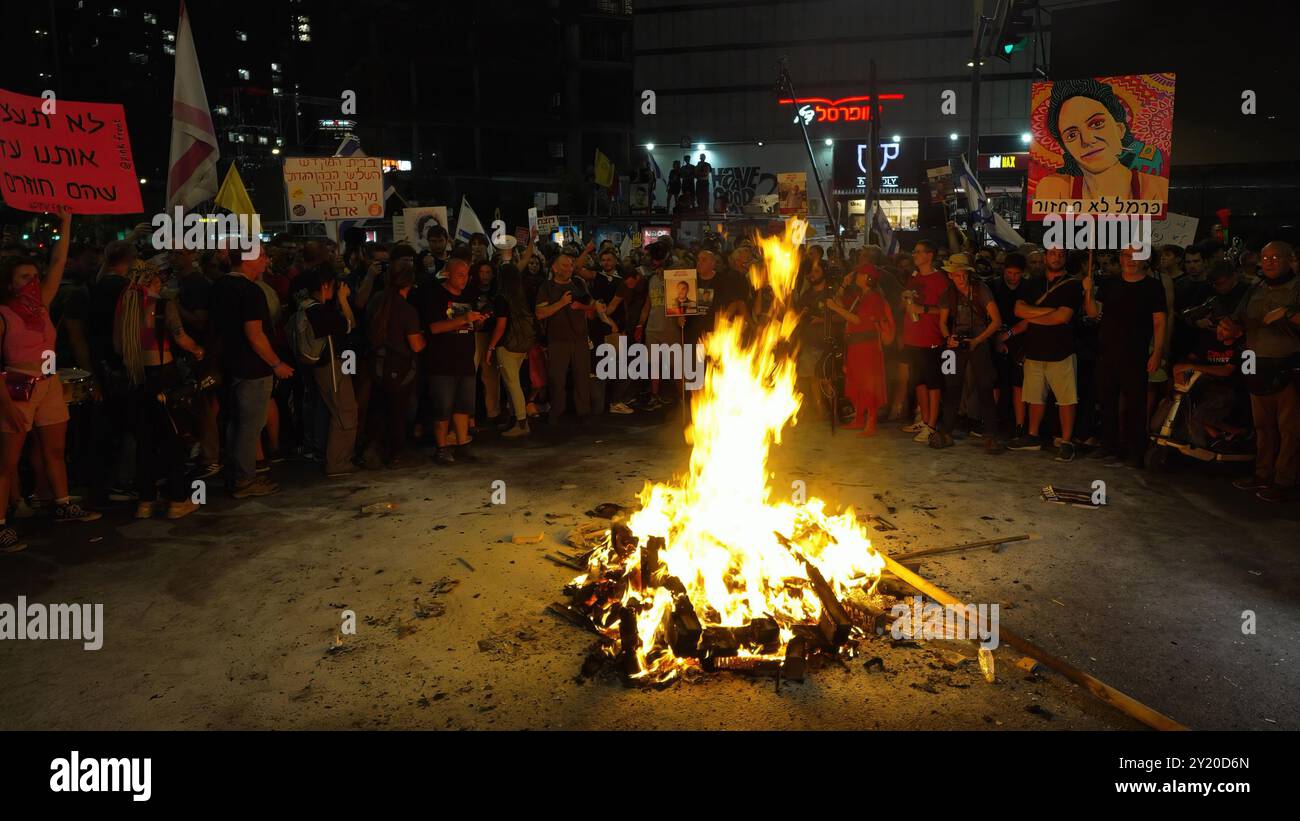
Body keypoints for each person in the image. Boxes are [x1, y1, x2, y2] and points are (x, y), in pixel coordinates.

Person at [0, 211, 101, 551]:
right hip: (17, 388)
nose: (31, 280)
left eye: (33, 274)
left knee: (55, 449)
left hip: (49, 382)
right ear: (9, 282)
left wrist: (66, 223)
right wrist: (6, 406)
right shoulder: (3, 314)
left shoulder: (41, 304)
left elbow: (58, 261)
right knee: (7, 462)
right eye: (23, 276)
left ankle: (61, 503)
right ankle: (0, 523)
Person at [113, 261, 204, 519]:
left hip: (135, 377)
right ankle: (177, 500)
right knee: (171, 440)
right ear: (154, 281)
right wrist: (198, 350)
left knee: (144, 441)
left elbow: (118, 347)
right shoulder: (163, 305)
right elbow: (180, 338)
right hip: (163, 376)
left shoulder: (123, 308)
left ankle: (145, 501)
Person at [1219, 241, 1300, 502]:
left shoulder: (1297, 288)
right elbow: (1239, 319)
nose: (1270, 261)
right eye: (1266, 258)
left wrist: (1288, 313)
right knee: (1263, 426)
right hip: (1256, 365)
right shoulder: (1254, 288)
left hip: (1287, 365)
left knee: (1290, 429)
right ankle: (1262, 473)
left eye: (1277, 257)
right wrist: (1228, 327)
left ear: (1290, 259)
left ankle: (1284, 480)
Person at [210, 248, 294, 497]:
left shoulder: (219, 286)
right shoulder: (250, 291)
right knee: (249, 427)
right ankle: (245, 480)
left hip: (229, 364)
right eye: (261, 256)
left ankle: (235, 474)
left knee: (236, 423)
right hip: (252, 367)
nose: (266, 260)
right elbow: (255, 334)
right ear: (246, 260)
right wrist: (276, 364)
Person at [1084, 247, 1168, 467]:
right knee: (1106, 401)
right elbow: (1093, 313)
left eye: (1136, 256)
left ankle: (1135, 451)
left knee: (1136, 404)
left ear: (1145, 260)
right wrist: (1088, 292)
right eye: (1127, 255)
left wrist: (1157, 352)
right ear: (1120, 259)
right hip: (1106, 351)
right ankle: (1107, 446)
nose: (1131, 260)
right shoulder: (1109, 283)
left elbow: (1159, 321)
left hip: (1136, 353)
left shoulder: (1153, 286)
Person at [1034, 77, 1169, 204]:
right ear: (1065, 148)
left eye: (1097, 124)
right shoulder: (1054, 189)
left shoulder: (1156, 189)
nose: (1087, 140)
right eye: (1071, 135)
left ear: (1120, 129)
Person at [1009, 247, 1084, 461]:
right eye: (1052, 253)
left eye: (1060, 254)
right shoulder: (1033, 283)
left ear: (1065, 257)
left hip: (1061, 351)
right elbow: (1018, 311)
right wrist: (1050, 311)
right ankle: (1032, 436)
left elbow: (1062, 317)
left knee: (1066, 399)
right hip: (1034, 349)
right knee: (1034, 396)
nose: (1056, 257)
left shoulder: (1073, 284)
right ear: (1045, 257)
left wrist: (1032, 314)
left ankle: (1067, 440)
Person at [935, 253, 1003, 452]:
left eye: (963, 274)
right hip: (956, 343)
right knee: (951, 386)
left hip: (978, 340)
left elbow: (996, 320)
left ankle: (990, 434)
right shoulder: (949, 293)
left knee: (985, 386)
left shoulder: (981, 289)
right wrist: (949, 338)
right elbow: (942, 322)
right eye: (957, 274)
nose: (961, 278)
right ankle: (946, 431)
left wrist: (977, 341)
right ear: (950, 275)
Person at [294, 267, 358, 478]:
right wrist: (343, 300)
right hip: (330, 367)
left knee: (328, 409)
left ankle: (323, 452)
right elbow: (349, 324)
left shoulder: (304, 306)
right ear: (324, 286)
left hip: (318, 368)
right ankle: (338, 462)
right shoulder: (318, 311)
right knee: (345, 411)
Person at [420, 258, 483, 464]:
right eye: (459, 275)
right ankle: (441, 447)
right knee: (443, 407)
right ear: (448, 274)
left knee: (463, 406)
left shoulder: (469, 295)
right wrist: (463, 319)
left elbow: (471, 326)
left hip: (465, 359)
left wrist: (478, 322)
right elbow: (434, 328)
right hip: (442, 361)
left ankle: (463, 442)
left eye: (466, 275)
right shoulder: (435, 295)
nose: (464, 279)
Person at [365, 259, 425, 466]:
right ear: (410, 283)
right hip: (400, 367)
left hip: (375, 364)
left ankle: (372, 450)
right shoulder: (407, 310)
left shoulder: (377, 300)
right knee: (398, 412)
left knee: (378, 409)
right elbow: (416, 345)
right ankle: (396, 454)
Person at [824, 262, 894, 435]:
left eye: (860, 274)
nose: (856, 276)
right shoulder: (860, 296)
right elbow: (838, 301)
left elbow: (857, 320)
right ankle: (858, 419)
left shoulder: (873, 297)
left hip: (867, 347)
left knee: (868, 384)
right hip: (855, 345)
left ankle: (871, 422)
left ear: (868, 278)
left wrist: (835, 308)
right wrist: (843, 285)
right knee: (856, 382)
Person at [536, 252, 599, 424]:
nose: (570, 268)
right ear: (555, 269)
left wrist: (583, 307)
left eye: (571, 265)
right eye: (565, 265)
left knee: (582, 377)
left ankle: (583, 412)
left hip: (579, 339)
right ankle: (557, 411)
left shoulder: (579, 283)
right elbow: (540, 314)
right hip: (557, 340)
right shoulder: (546, 287)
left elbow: (592, 307)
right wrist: (561, 304)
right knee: (557, 378)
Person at [899, 240, 950, 443]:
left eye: (919, 252)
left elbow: (946, 310)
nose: (915, 255)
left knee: (933, 382)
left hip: (930, 338)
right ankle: (924, 418)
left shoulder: (940, 280)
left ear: (930, 255)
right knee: (918, 381)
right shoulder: (914, 277)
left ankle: (932, 424)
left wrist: (924, 310)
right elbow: (906, 303)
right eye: (914, 251)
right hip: (913, 337)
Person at [992, 253, 1040, 437]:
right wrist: (998, 338)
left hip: (1021, 341)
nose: (1013, 277)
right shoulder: (995, 286)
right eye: (1009, 273)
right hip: (997, 337)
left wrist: (1008, 335)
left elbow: (1030, 318)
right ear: (1004, 270)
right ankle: (994, 419)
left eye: (1017, 274)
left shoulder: (1029, 288)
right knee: (995, 381)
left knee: (1018, 383)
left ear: (1023, 273)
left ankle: (1020, 425)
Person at [487, 264, 538, 437]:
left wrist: (491, 346)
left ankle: (521, 423)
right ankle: (515, 419)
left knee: (512, 384)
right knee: (513, 383)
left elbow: (501, 326)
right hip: (521, 345)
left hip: (507, 345)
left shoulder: (502, 298)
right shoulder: (522, 296)